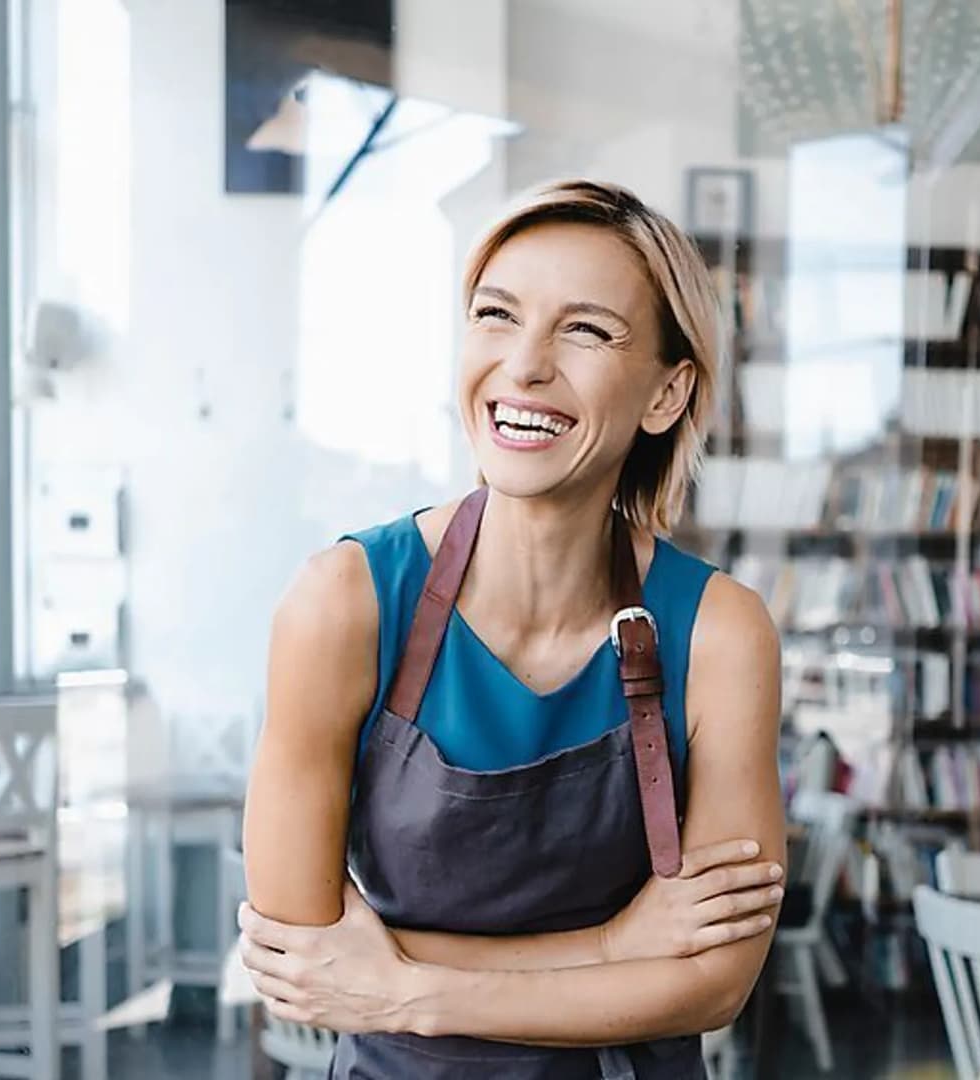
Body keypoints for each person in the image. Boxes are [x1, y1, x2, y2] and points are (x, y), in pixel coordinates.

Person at [240, 178, 788, 1077]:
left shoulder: (721, 633)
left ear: (666, 391)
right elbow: (304, 959)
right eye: (496, 315)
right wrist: (613, 950)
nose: (525, 365)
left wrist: (407, 987)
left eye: (585, 330)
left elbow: (712, 982)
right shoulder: (344, 602)